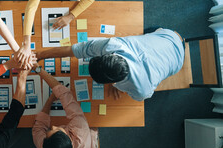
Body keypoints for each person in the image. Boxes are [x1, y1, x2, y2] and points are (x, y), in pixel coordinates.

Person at [36, 28, 185, 101]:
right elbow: (77, 49)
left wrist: (119, 88)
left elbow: (150, 91)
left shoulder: (142, 91)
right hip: (169, 35)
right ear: (108, 54)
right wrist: (41, 55)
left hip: (177, 59)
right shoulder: (112, 45)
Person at [32, 64, 98, 148]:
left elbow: (38, 127)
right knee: (94, 126)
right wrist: (38, 69)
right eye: (57, 130)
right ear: (68, 135)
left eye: (49, 131)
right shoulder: (81, 130)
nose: (53, 126)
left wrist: (50, 100)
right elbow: (65, 94)